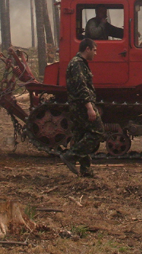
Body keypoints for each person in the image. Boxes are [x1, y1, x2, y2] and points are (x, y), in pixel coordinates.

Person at [60, 38, 105, 178]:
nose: (95, 53)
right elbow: (81, 86)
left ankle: (85, 170)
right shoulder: (78, 64)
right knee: (98, 132)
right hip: (81, 105)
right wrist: (89, 107)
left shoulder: (79, 63)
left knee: (81, 135)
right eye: (94, 50)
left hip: (77, 105)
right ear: (87, 49)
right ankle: (70, 156)